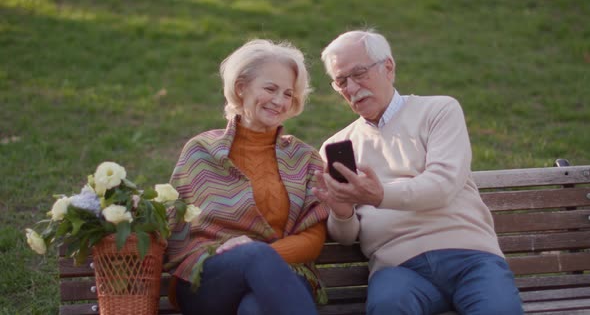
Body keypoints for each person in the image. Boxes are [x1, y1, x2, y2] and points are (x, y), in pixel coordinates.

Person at [312, 29, 524, 315]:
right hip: (397, 269)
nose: (351, 88)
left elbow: (442, 186)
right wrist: (341, 211)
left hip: (470, 258)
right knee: (388, 308)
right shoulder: (336, 147)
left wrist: (379, 194)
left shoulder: (438, 110)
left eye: (359, 73)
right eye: (341, 81)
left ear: (388, 67)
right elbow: (347, 236)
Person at [164, 39, 330, 315]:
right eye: (270, 88)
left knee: (255, 309)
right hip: (209, 279)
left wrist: (262, 258)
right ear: (241, 87)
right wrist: (247, 256)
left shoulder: (304, 158)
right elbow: (174, 229)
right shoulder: (202, 150)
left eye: (288, 94)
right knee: (255, 257)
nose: (279, 101)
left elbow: (313, 237)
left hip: (284, 277)